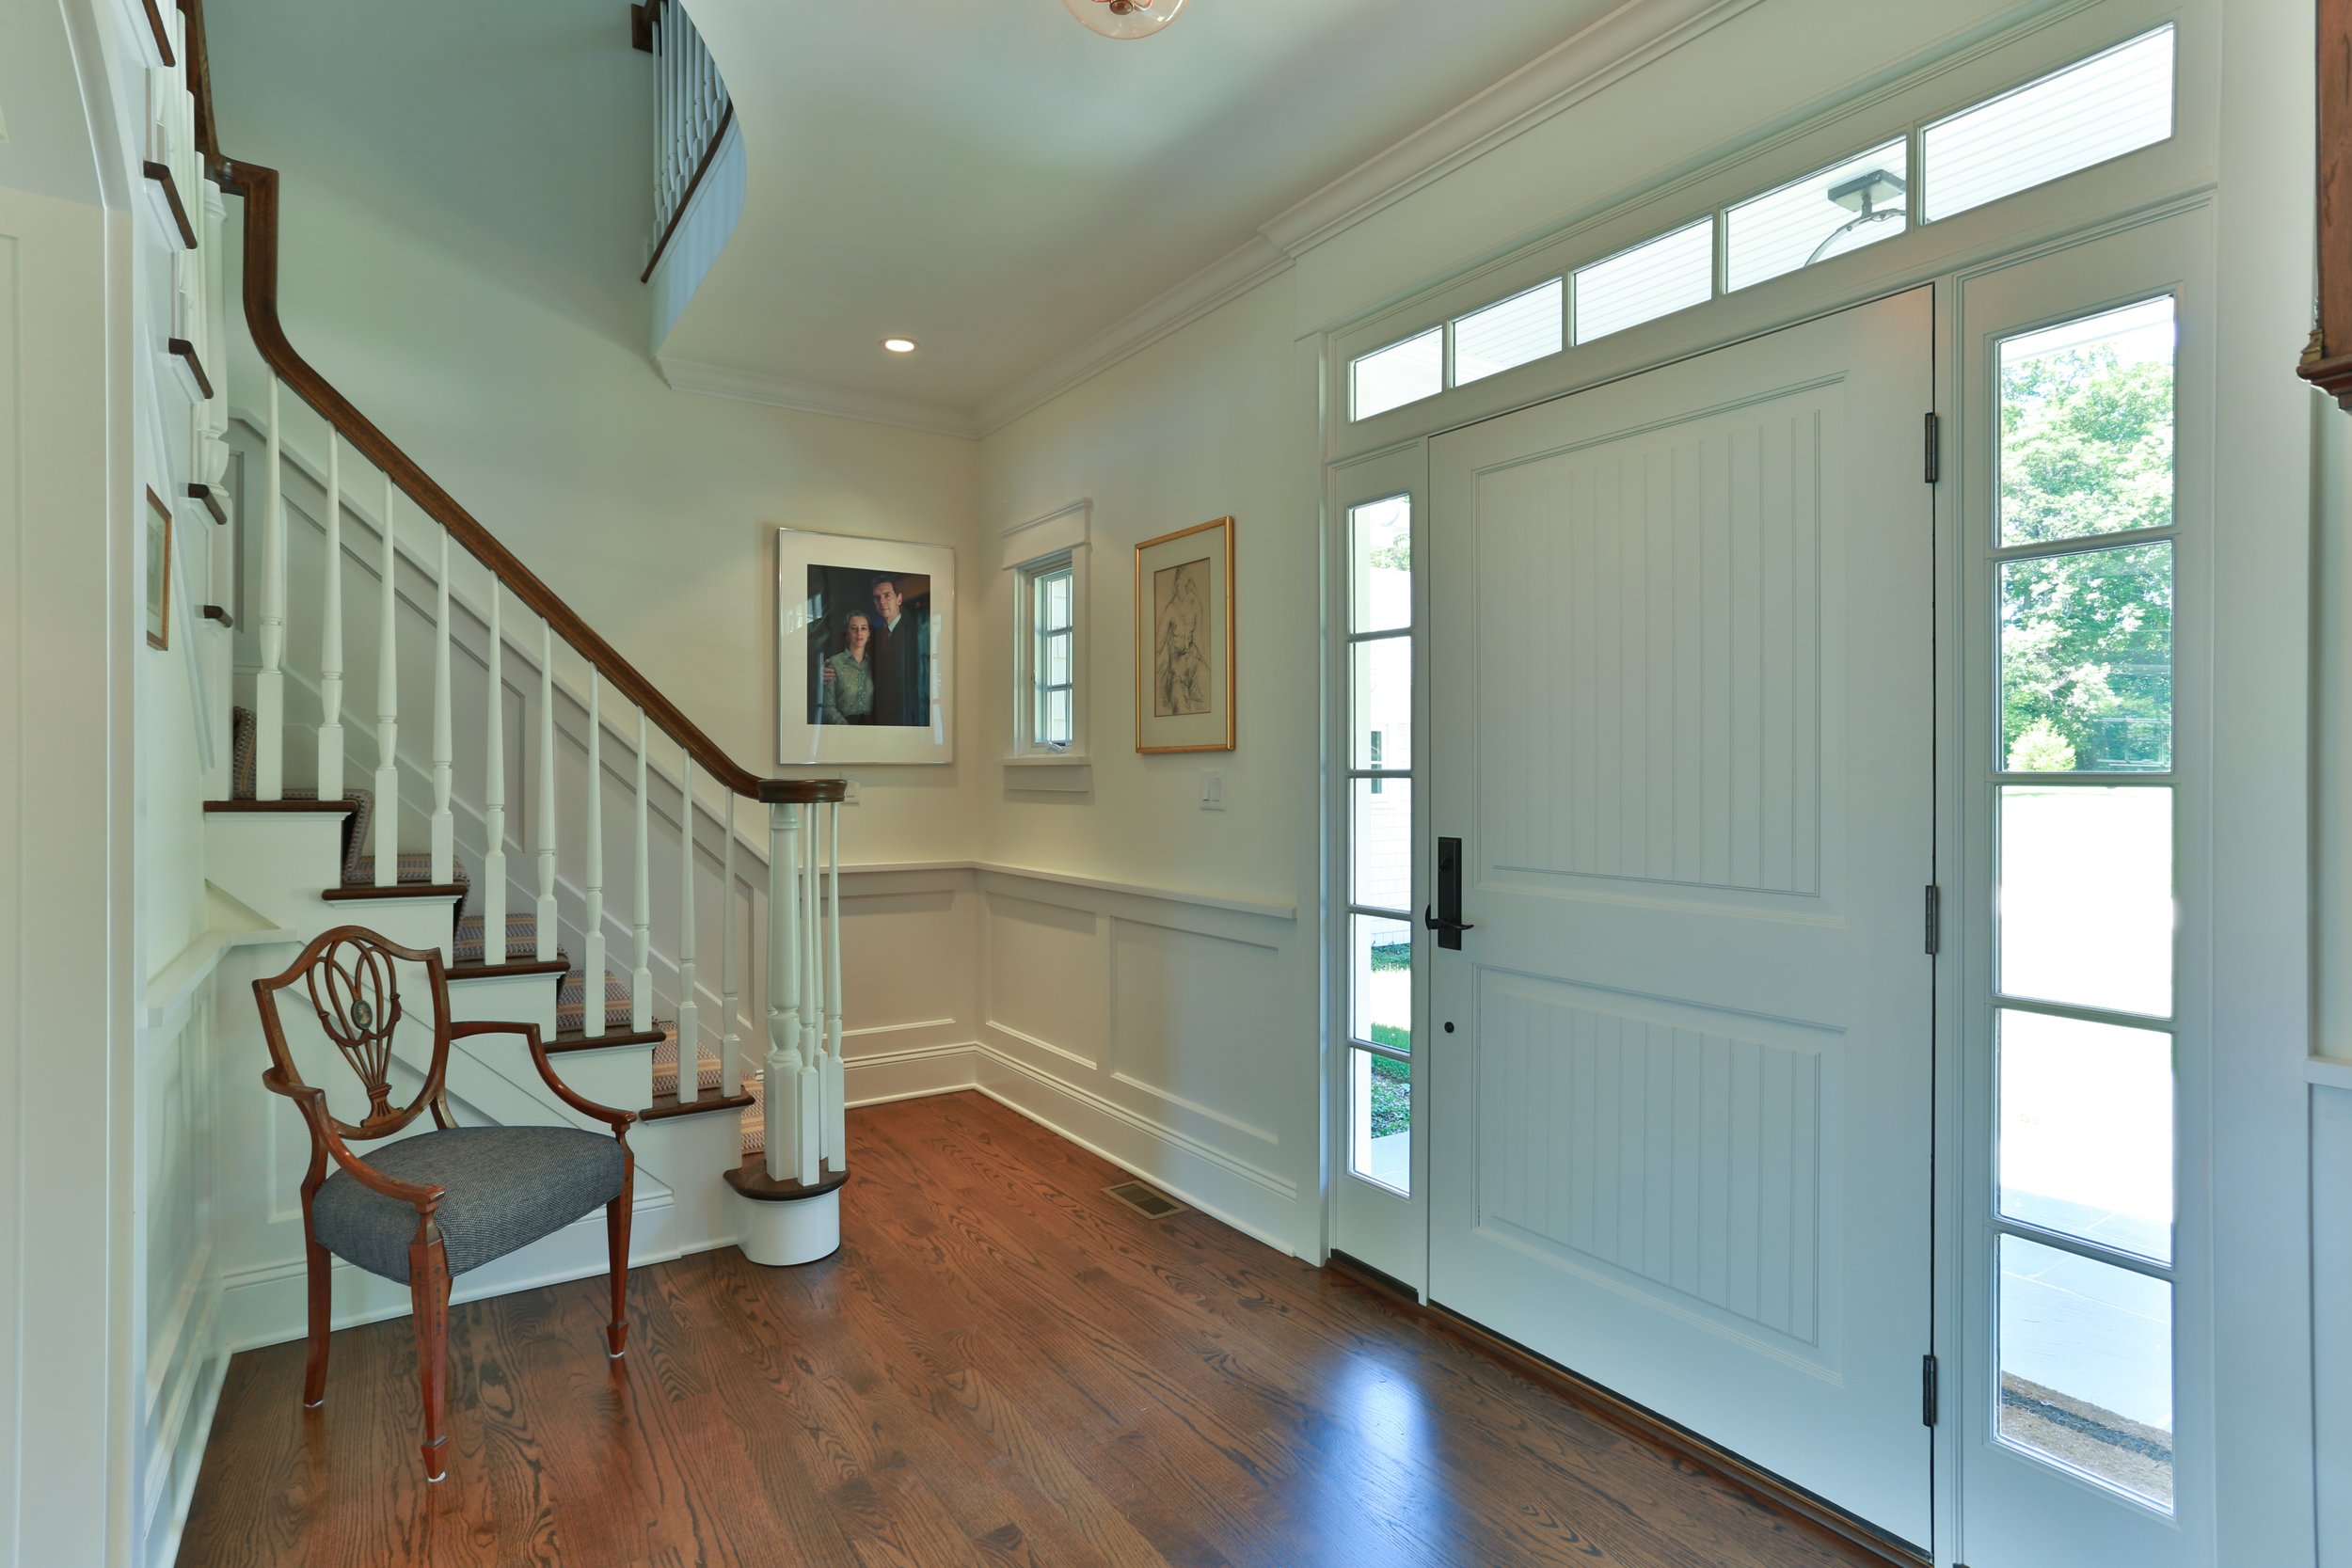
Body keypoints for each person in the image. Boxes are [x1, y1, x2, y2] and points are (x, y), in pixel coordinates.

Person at [866, 574, 928, 726]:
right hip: (882, 720)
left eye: (887, 596)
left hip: (910, 720)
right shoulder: (873, 636)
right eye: (877, 597)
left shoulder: (917, 630)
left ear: (899, 599)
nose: (882, 601)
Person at [819, 611, 875, 725]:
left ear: (869, 633)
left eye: (863, 628)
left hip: (872, 731)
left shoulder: (875, 665)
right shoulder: (834, 663)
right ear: (847, 634)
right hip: (842, 730)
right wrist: (846, 728)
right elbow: (827, 706)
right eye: (854, 628)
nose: (859, 633)